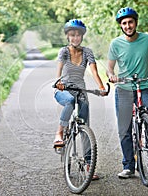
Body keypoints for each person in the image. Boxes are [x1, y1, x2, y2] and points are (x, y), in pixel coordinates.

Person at [106, 7, 148, 179]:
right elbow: (110, 67)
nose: (128, 26)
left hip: (143, 86)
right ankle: (128, 166)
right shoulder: (116, 44)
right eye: (124, 23)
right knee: (124, 129)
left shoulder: (147, 39)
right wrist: (111, 76)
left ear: (135, 23)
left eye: (130, 22)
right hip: (124, 89)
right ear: (121, 25)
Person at [53, 19, 107, 179]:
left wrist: (101, 87)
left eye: (78, 35)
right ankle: (59, 133)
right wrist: (59, 83)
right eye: (72, 35)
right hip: (63, 90)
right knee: (69, 101)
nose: (75, 38)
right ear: (68, 37)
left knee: (85, 129)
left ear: (82, 36)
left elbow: (94, 72)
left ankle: (89, 165)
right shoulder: (64, 51)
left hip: (81, 91)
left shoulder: (87, 52)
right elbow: (58, 71)